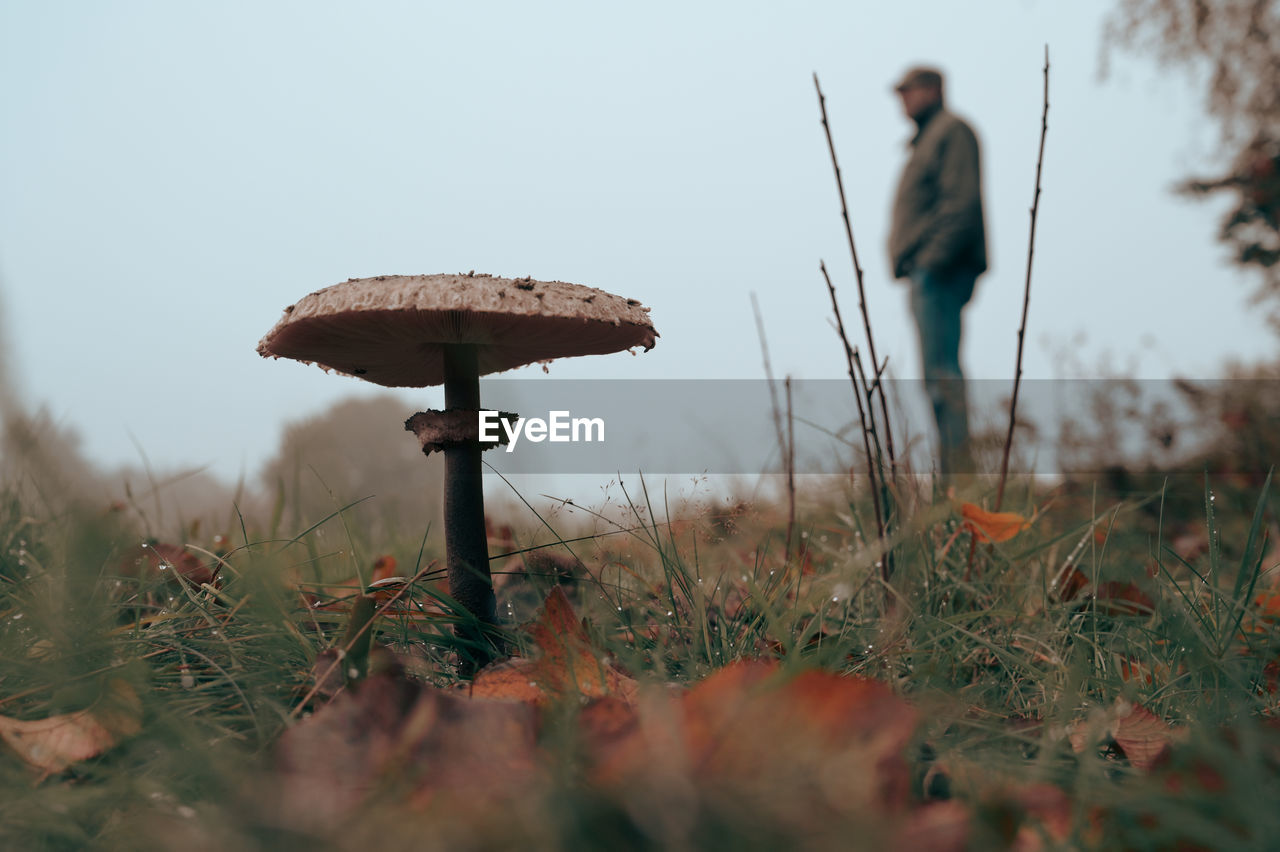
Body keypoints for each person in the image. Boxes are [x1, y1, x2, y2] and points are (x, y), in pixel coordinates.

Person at [887, 66, 987, 477]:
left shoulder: (951, 131)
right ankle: (954, 476)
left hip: (938, 271)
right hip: (926, 272)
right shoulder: (927, 140)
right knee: (936, 376)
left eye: (909, 91)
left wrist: (931, 260)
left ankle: (958, 479)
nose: (903, 100)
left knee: (942, 376)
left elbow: (959, 204)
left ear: (933, 90)